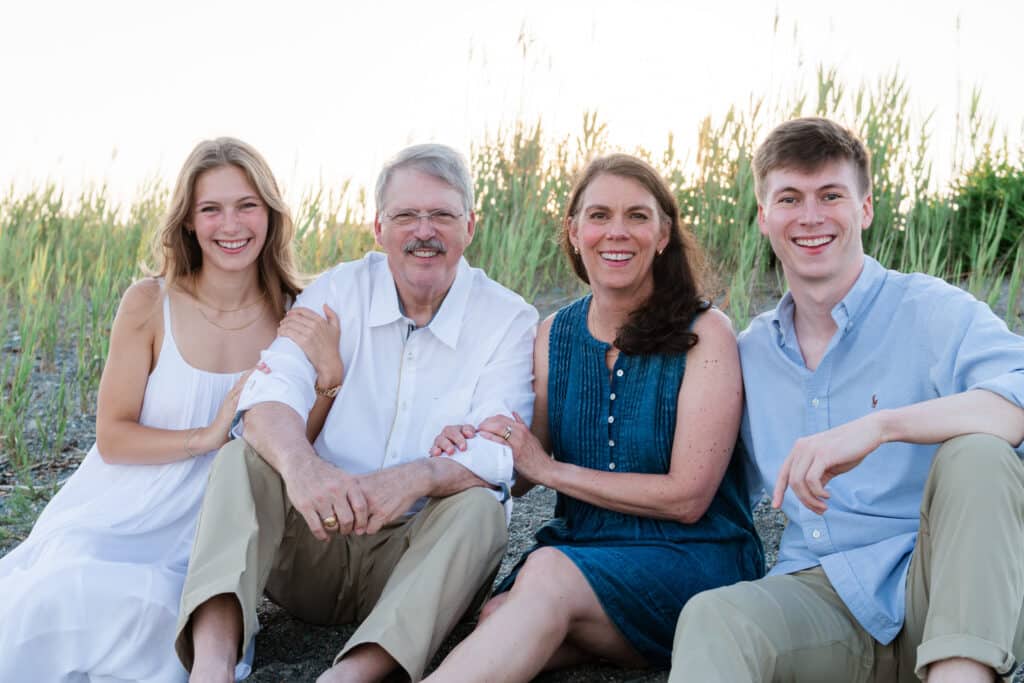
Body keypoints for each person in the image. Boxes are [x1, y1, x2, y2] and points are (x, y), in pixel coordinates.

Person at [670, 117, 1024, 682]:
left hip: (944, 587)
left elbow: (1017, 398)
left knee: (979, 452)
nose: (810, 216)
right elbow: (697, 478)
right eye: (789, 198)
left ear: (864, 209)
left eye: (830, 195)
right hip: (822, 597)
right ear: (764, 217)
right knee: (714, 617)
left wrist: (882, 426)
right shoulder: (751, 351)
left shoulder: (931, 310)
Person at [175, 143, 538, 683]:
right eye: (405, 215)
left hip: (415, 562)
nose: (424, 231)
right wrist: (305, 469)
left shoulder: (508, 318)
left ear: (470, 226)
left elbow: (500, 447)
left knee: (483, 509)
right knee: (239, 461)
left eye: (441, 214)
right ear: (378, 228)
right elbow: (268, 397)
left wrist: (415, 478)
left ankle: (353, 675)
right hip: (314, 542)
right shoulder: (338, 290)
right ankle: (212, 666)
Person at [0, 137, 343, 681]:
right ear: (188, 221)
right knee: (60, 590)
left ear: (271, 215)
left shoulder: (295, 314)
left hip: (212, 531)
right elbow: (112, 437)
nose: (231, 225)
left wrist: (329, 381)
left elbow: (294, 447)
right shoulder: (149, 302)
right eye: (211, 209)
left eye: (246, 205)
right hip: (120, 510)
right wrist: (205, 437)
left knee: (163, 626)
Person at [422, 153, 764, 682]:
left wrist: (550, 470)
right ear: (574, 231)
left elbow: (689, 498)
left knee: (544, 583)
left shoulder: (706, 333)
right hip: (587, 547)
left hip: (696, 558)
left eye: (638, 216)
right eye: (600, 215)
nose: (617, 232)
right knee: (500, 615)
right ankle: (610, 637)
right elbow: (520, 469)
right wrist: (474, 438)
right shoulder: (553, 335)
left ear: (664, 233)